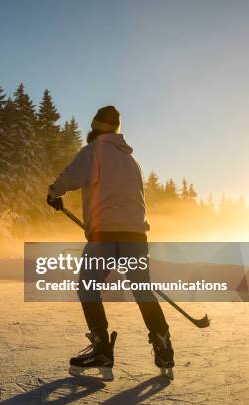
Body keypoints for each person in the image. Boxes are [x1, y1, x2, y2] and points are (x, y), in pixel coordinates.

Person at [47, 106, 174, 380]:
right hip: (136, 236)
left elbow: (70, 176)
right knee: (143, 290)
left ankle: (101, 349)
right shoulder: (132, 161)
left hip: (105, 236)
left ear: (94, 128)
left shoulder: (94, 151)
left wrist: (54, 193)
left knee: (88, 288)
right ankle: (163, 345)